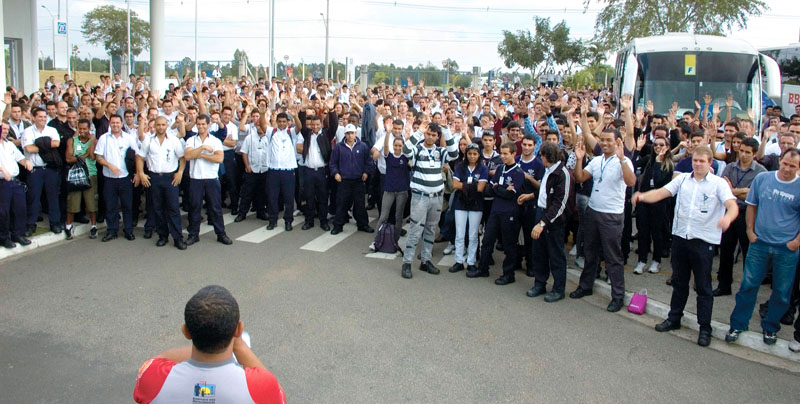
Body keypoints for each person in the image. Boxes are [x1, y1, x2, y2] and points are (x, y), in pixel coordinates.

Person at [634, 146, 738, 347]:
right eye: (695, 161)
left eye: (702, 161)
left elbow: (732, 205)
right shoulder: (682, 179)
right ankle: (674, 318)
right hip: (681, 238)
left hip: (703, 242)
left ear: (710, 163)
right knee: (679, 283)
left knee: (703, 287)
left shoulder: (718, 184)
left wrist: (727, 219)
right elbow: (662, 193)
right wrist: (643, 196)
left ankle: (704, 328)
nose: (697, 164)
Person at [133, 285, 285, 403]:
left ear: (186, 332)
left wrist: (206, 338)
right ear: (238, 330)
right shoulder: (261, 386)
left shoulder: (152, 378)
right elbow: (278, 395)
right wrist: (239, 346)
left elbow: (158, 359)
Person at [725, 148, 800, 346]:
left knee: (782, 292)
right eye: (785, 163)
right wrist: (750, 231)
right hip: (759, 244)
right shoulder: (763, 179)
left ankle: (771, 327)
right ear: (780, 160)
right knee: (748, 286)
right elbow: (752, 205)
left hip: (786, 248)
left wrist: (797, 242)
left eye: (792, 166)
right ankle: (738, 324)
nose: (787, 168)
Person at [572, 128, 637, 313]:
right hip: (593, 211)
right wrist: (579, 159)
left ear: (618, 142)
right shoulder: (597, 160)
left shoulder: (624, 161)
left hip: (612, 215)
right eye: (603, 140)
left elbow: (631, 182)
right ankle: (585, 286)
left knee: (612, 256)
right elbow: (580, 177)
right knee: (590, 251)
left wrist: (622, 159)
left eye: (609, 140)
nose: (605, 143)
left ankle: (617, 296)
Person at [401, 121, 458, 279]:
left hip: (437, 198)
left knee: (431, 230)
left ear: (437, 136)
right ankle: (407, 262)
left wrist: (446, 130)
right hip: (420, 197)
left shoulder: (440, 151)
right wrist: (419, 131)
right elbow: (406, 151)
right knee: (415, 231)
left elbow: (454, 154)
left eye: (434, 135)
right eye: (429, 134)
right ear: (425, 134)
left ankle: (425, 261)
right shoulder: (418, 149)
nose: (431, 137)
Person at [520, 142, 572, 301]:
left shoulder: (562, 174)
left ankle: (558, 289)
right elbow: (544, 191)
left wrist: (543, 223)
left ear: (546, 156)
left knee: (556, 255)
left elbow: (559, 203)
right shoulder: (548, 171)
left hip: (553, 221)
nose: (539, 157)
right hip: (540, 212)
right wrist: (531, 196)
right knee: (539, 253)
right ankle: (539, 283)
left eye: (541, 155)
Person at [714, 137, 766, 295]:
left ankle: (747, 289)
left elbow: (756, 195)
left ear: (754, 154)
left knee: (747, 253)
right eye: (741, 151)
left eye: (747, 152)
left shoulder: (761, 172)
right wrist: (744, 191)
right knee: (726, 250)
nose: (743, 155)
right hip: (730, 211)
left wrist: (735, 191)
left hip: (747, 213)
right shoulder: (730, 167)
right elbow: (722, 189)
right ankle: (724, 285)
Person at [469, 142, 525, 285]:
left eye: (506, 154)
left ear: (513, 154)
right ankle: (483, 268)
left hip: (509, 212)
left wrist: (497, 188)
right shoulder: (500, 168)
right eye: (502, 153)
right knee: (487, 240)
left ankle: (508, 274)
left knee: (508, 244)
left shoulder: (518, 173)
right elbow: (489, 188)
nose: (503, 156)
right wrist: (501, 189)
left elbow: (511, 195)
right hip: (495, 210)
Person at [136, 116, 188, 250]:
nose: (160, 127)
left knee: (173, 209)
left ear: (167, 125)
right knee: (157, 209)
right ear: (154, 126)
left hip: (170, 178)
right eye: (158, 125)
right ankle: (162, 236)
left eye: (163, 125)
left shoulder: (174, 140)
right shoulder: (148, 140)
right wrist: (141, 173)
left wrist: (180, 172)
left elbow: (182, 158)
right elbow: (140, 158)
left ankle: (178, 238)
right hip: (154, 178)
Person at [184, 114, 233, 246]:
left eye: (203, 124)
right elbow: (188, 156)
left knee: (215, 207)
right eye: (198, 124)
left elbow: (219, 158)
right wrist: (203, 149)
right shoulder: (191, 140)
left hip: (211, 178)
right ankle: (193, 234)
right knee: (194, 207)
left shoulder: (215, 141)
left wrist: (200, 155)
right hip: (196, 179)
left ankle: (221, 234)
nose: (201, 127)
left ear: (208, 125)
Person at [632, 135, 674, 274]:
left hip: (659, 203)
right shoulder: (649, 160)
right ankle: (642, 260)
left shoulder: (668, 164)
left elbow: (659, 181)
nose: (658, 147)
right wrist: (638, 150)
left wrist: (657, 162)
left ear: (667, 147)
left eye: (661, 145)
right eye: (655, 144)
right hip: (643, 201)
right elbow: (632, 165)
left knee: (657, 233)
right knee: (643, 231)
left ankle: (656, 260)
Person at [95, 115, 138, 242]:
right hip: (109, 178)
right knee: (111, 206)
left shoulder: (129, 138)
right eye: (113, 123)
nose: (115, 125)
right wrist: (109, 165)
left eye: (117, 123)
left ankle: (128, 230)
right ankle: (112, 231)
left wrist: (136, 173)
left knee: (127, 206)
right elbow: (98, 157)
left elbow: (136, 156)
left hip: (125, 177)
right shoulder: (104, 138)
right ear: (110, 124)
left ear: (121, 124)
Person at [22, 108, 62, 235]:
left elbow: (56, 144)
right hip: (35, 170)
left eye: (45, 117)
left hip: (50, 169)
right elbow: (28, 148)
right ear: (34, 118)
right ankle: (30, 225)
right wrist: (46, 145)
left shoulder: (52, 130)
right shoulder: (27, 132)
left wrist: (38, 144)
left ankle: (55, 223)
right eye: (40, 117)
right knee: (33, 198)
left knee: (53, 197)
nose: (43, 119)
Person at [261, 112, 303, 231]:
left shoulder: (291, 132)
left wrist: (295, 115)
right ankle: (272, 220)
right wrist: (261, 113)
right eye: (280, 121)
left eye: (284, 121)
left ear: (288, 122)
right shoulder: (272, 132)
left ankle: (288, 221)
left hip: (288, 171)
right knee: (272, 197)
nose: (282, 124)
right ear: (277, 121)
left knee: (288, 197)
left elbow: (299, 127)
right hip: (273, 170)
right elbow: (263, 125)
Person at [329, 124, 374, 235]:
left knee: (360, 204)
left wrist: (366, 172)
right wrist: (335, 173)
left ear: (356, 134)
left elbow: (369, 161)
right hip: (344, 181)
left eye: (352, 133)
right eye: (348, 133)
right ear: (345, 134)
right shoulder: (339, 147)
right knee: (341, 204)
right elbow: (333, 163)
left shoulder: (363, 146)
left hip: (358, 180)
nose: (350, 136)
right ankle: (338, 225)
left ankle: (363, 224)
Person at [449, 143, 487, 273]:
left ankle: (471, 261)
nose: (472, 156)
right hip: (461, 203)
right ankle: (458, 261)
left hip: (476, 205)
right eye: (470, 153)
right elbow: (455, 184)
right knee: (459, 234)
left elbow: (481, 188)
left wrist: (464, 185)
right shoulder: (460, 166)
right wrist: (472, 186)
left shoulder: (483, 168)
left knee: (473, 234)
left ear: (479, 155)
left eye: (475, 154)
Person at [372, 131, 410, 245]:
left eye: (400, 146)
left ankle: (395, 240)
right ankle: (376, 240)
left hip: (402, 192)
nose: (397, 148)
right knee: (383, 216)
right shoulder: (389, 156)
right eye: (396, 145)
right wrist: (388, 133)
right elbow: (386, 147)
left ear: (403, 146)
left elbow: (412, 161)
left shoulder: (406, 158)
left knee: (399, 217)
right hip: (389, 190)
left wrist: (408, 139)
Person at [0, 122, 34, 248]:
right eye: (2, 129)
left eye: (6, 130)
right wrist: (2, 170)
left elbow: (20, 158)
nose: (4, 131)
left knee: (20, 208)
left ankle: (17, 234)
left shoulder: (9, 145)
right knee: (3, 212)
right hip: (2, 182)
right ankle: (3, 237)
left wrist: (27, 162)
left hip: (15, 180)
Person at [64, 119, 98, 240]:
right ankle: (68, 226)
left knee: (91, 203)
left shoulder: (93, 140)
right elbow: (68, 158)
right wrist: (84, 155)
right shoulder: (72, 140)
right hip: (76, 175)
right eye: (80, 129)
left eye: (85, 129)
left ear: (89, 129)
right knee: (73, 202)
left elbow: (93, 156)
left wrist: (92, 143)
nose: (82, 131)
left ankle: (93, 226)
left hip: (90, 174)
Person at [237, 109, 270, 224]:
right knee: (247, 193)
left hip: (264, 170)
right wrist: (247, 166)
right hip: (252, 169)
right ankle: (242, 213)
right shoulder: (249, 137)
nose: (260, 127)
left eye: (262, 125)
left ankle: (261, 212)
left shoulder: (269, 137)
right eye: (258, 125)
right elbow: (244, 152)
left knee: (262, 193)